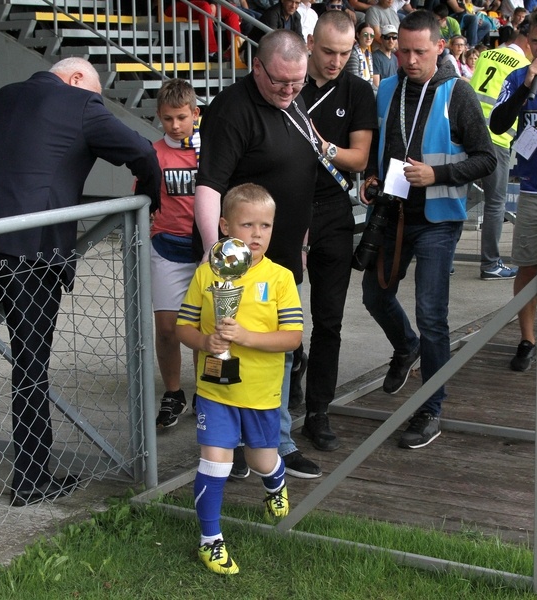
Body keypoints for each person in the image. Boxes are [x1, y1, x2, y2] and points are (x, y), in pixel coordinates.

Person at [0, 57, 161, 509]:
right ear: (76, 79)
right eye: (92, 93)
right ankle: (31, 478)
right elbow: (144, 153)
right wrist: (148, 201)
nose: (93, 101)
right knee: (29, 369)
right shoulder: (80, 104)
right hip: (32, 256)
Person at [361, 10, 495, 449]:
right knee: (373, 294)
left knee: (431, 313)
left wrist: (437, 176)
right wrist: (371, 176)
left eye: (420, 51)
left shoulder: (457, 93)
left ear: (441, 47)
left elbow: (486, 159)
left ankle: (431, 408)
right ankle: (406, 346)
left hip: (438, 219)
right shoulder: (388, 89)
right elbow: (381, 149)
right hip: (392, 214)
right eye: (403, 51)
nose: (411, 60)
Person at [194, 29, 322, 479]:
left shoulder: (292, 99)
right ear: (258, 67)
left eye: (297, 82)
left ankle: (269, 442)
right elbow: (209, 184)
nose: (289, 90)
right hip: (236, 263)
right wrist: (218, 253)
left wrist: (300, 241)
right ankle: (233, 444)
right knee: (228, 347)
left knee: (278, 351)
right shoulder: (232, 109)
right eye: (280, 82)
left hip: (281, 256)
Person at [177, 183, 303, 575]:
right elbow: (183, 328)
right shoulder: (207, 275)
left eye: (265, 225)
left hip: (262, 394)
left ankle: (275, 481)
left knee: (261, 459)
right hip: (215, 389)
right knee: (215, 461)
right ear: (225, 227)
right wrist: (206, 340)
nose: (257, 234)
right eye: (247, 224)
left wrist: (245, 337)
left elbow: (293, 337)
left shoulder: (281, 278)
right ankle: (210, 541)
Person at [298, 11, 377, 451]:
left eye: (345, 54)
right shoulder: (289, 78)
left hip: (331, 209)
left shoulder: (356, 89)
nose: (335, 61)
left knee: (329, 319)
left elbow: (361, 156)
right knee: (277, 311)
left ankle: (318, 410)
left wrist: (325, 146)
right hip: (286, 208)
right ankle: (289, 373)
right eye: (328, 51)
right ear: (311, 42)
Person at [489, 5, 537, 373]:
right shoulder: (520, 76)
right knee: (529, 265)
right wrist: (525, 86)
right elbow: (499, 121)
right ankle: (527, 338)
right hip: (535, 190)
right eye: (535, 41)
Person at [150, 79, 201, 429]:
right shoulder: (152, 153)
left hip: (205, 248)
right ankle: (173, 393)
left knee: (202, 325)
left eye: (182, 117)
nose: (175, 125)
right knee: (167, 328)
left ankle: (205, 391)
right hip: (166, 246)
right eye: (168, 119)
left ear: (195, 114)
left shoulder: (210, 150)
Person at [469, 25, 531, 282]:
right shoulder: (524, 65)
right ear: (528, 39)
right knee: (495, 204)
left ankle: (446, 260)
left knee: (463, 198)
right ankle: (491, 264)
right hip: (497, 139)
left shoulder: (487, 55)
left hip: (470, 133)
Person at [346, 21, 379, 89]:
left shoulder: (368, 54)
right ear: (358, 35)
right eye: (365, 34)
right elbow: (354, 80)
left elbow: (370, 79)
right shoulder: (353, 54)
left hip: (366, 87)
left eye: (372, 35)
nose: (369, 38)